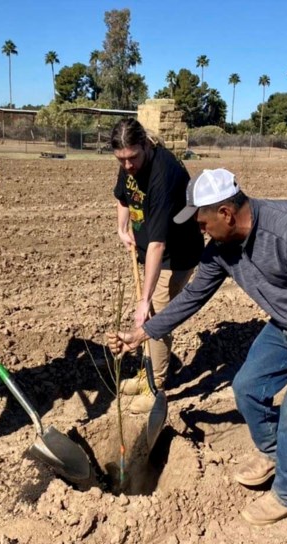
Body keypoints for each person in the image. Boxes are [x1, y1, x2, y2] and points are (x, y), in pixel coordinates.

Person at [107, 168, 287, 526]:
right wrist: (142, 334)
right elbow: (193, 297)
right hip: (285, 324)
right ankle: (274, 452)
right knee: (247, 387)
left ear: (226, 214)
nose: (200, 231)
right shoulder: (220, 250)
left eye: (202, 223)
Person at [110, 117, 204, 413]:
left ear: (145, 146)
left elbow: (158, 244)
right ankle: (145, 374)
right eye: (121, 159)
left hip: (176, 254)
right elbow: (123, 196)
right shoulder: (130, 163)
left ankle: (155, 386)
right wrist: (122, 226)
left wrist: (144, 298)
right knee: (148, 315)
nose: (127, 165)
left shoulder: (164, 174)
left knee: (157, 316)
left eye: (132, 158)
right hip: (151, 250)